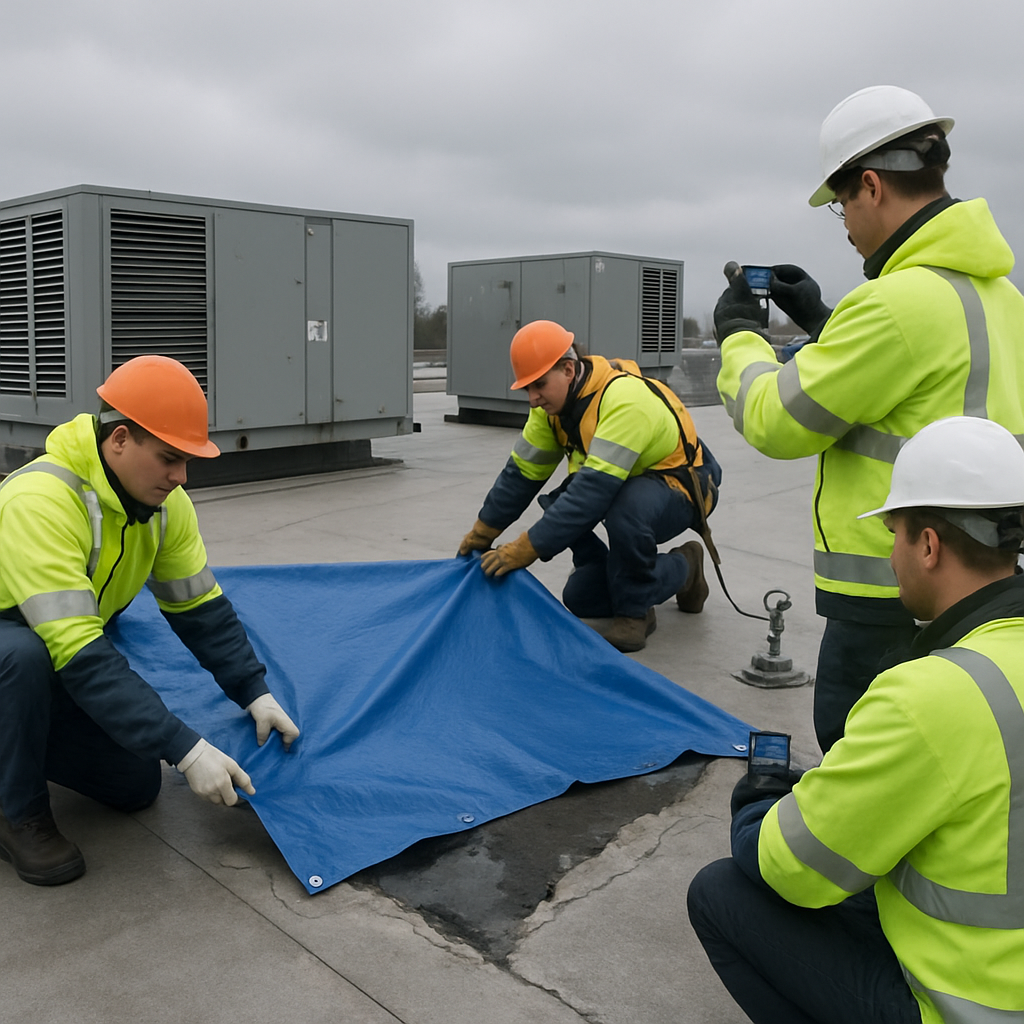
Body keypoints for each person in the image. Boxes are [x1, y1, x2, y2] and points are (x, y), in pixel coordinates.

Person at [713, 84, 1024, 751]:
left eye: (842, 207)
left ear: (873, 186)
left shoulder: (893, 304)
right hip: (987, 582)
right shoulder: (999, 297)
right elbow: (921, 389)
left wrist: (740, 336)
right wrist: (826, 323)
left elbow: (777, 421)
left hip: (894, 590)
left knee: (861, 752)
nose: (848, 227)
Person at [686, 416, 1024, 1024]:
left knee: (721, 892)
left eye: (894, 534)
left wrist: (756, 811)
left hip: (973, 1007)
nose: (890, 555)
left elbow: (797, 869)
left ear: (928, 545)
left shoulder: (932, 695)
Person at [0, 355, 300, 886]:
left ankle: (16, 739)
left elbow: (200, 608)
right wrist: (186, 748)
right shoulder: (40, 500)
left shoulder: (165, 505)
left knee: (135, 785)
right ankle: (15, 812)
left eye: (186, 461)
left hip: (57, 654)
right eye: (168, 458)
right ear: (119, 439)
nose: (180, 477)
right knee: (22, 656)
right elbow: (81, 653)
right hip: (18, 649)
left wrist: (253, 691)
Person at [458, 319, 721, 653]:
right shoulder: (550, 412)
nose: (533, 398)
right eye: (527, 388)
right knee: (581, 596)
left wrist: (527, 548)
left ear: (568, 370)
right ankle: (633, 584)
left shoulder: (623, 399)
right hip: (622, 491)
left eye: (539, 385)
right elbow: (520, 477)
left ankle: (652, 598)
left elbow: (593, 492)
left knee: (625, 508)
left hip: (682, 488)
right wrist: (482, 534)